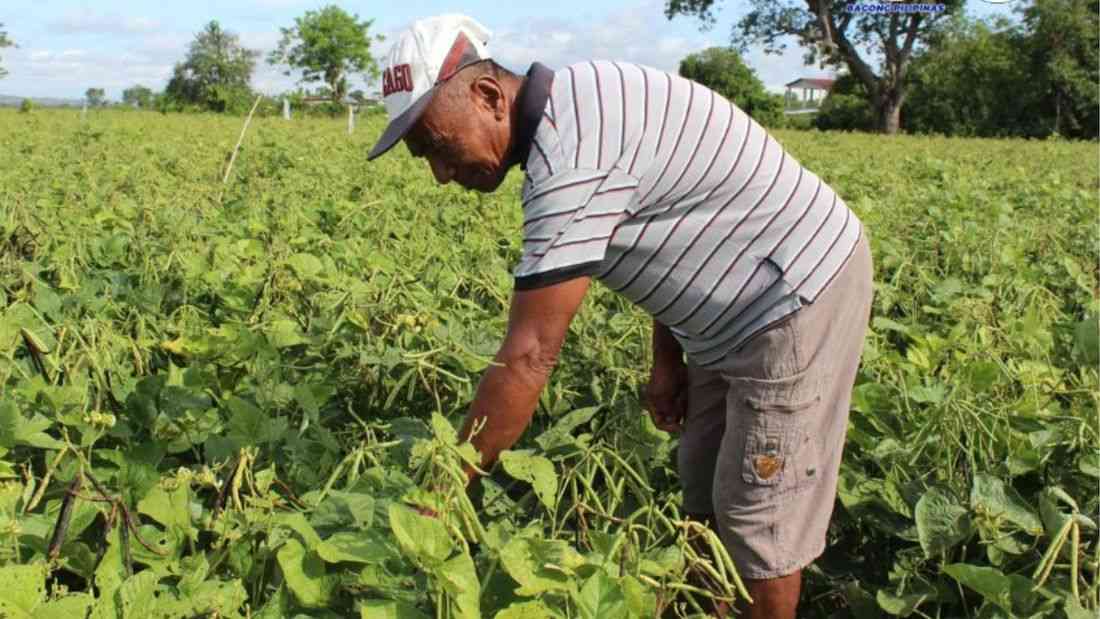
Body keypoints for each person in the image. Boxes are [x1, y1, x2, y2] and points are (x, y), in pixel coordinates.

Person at [367, 14, 874, 619]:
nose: (441, 174)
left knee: (756, 512)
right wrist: (668, 357)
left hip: (794, 295)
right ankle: (710, 606)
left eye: (438, 147)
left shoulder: (571, 159)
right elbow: (676, 215)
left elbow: (529, 356)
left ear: (486, 96)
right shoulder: (582, 97)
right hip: (728, 306)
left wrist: (445, 491)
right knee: (702, 475)